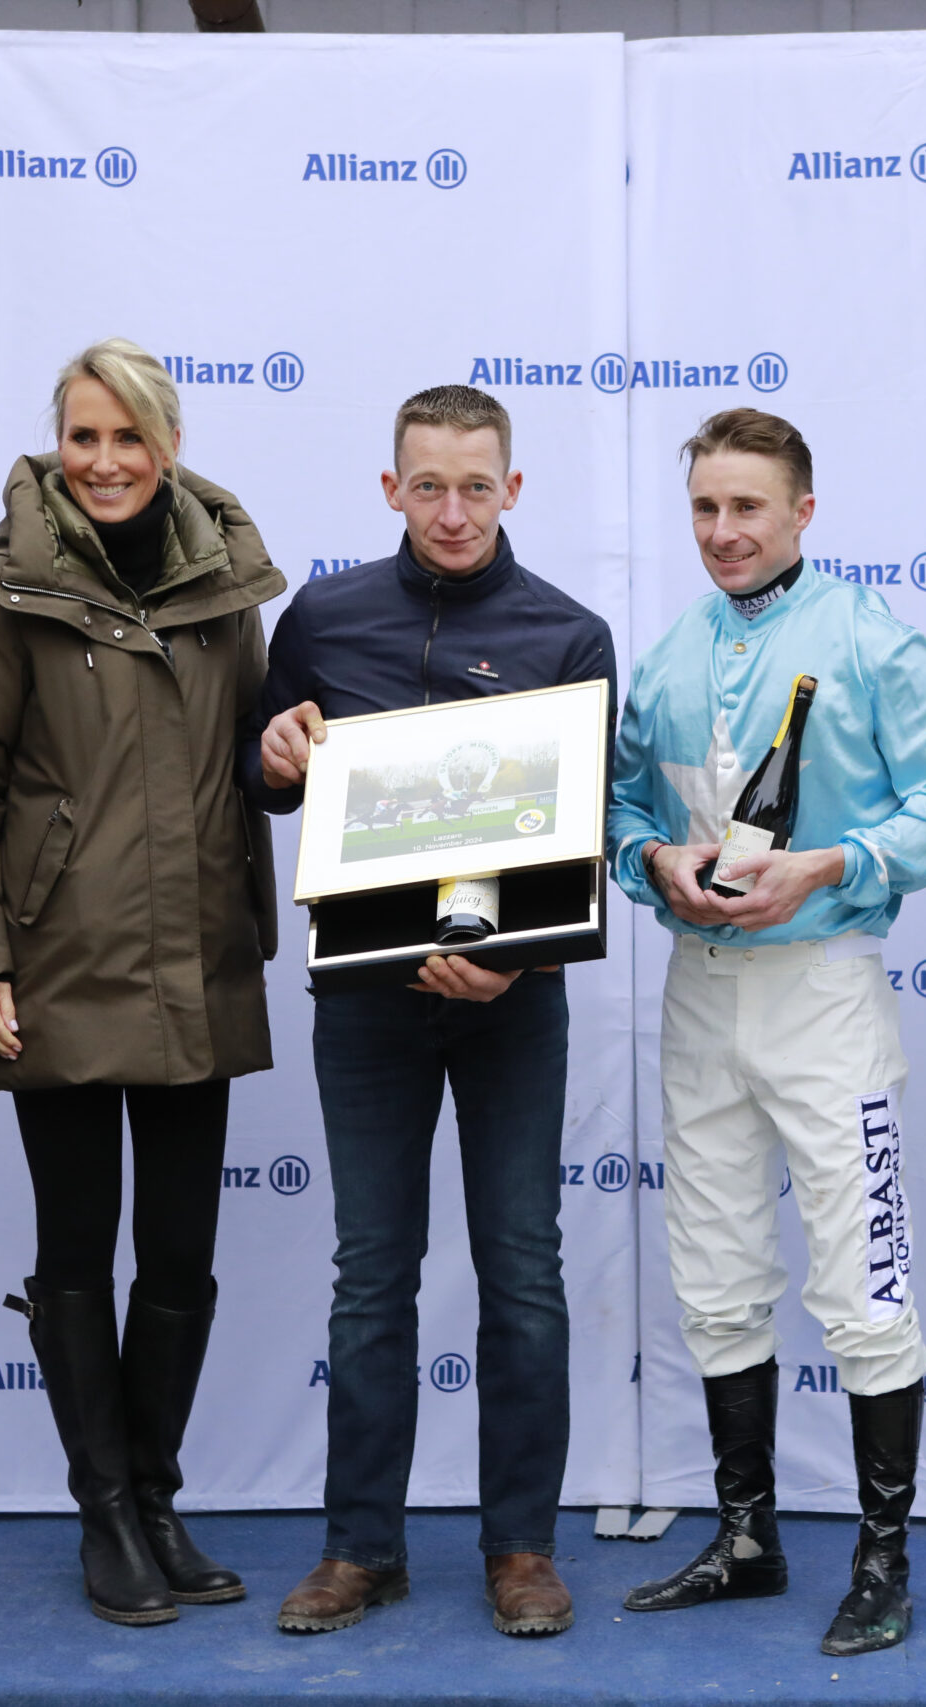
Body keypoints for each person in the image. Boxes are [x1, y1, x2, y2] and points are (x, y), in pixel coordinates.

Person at [0, 340, 285, 1625]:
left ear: (168, 447)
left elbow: (249, 756)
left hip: (196, 961)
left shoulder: (228, 591)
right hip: (54, 970)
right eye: (84, 438)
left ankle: (158, 1493)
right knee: (76, 1246)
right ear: (55, 447)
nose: (107, 462)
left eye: (129, 439)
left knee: (180, 1251)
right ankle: (105, 1512)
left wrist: (285, 758)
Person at [607, 409, 926, 1657]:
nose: (724, 533)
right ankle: (745, 1538)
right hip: (699, 993)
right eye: (707, 510)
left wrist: (832, 862)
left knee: (862, 1283)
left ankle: (882, 1565)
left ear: (803, 513)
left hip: (823, 989)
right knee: (714, 1276)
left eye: (748, 509)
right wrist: (653, 857)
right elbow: (613, 812)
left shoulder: (871, 641)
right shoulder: (667, 658)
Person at [240, 385, 614, 1640]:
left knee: (521, 1275)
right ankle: (360, 1551)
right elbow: (269, 773)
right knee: (368, 1279)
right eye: (427, 486)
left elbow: (589, 837)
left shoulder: (568, 633)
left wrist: (517, 957)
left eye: (475, 486)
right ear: (388, 488)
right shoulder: (325, 615)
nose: (451, 512)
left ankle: (521, 1550)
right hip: (366, 1002)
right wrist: (275, 754)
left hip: (514, 1002)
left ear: (513, 489)